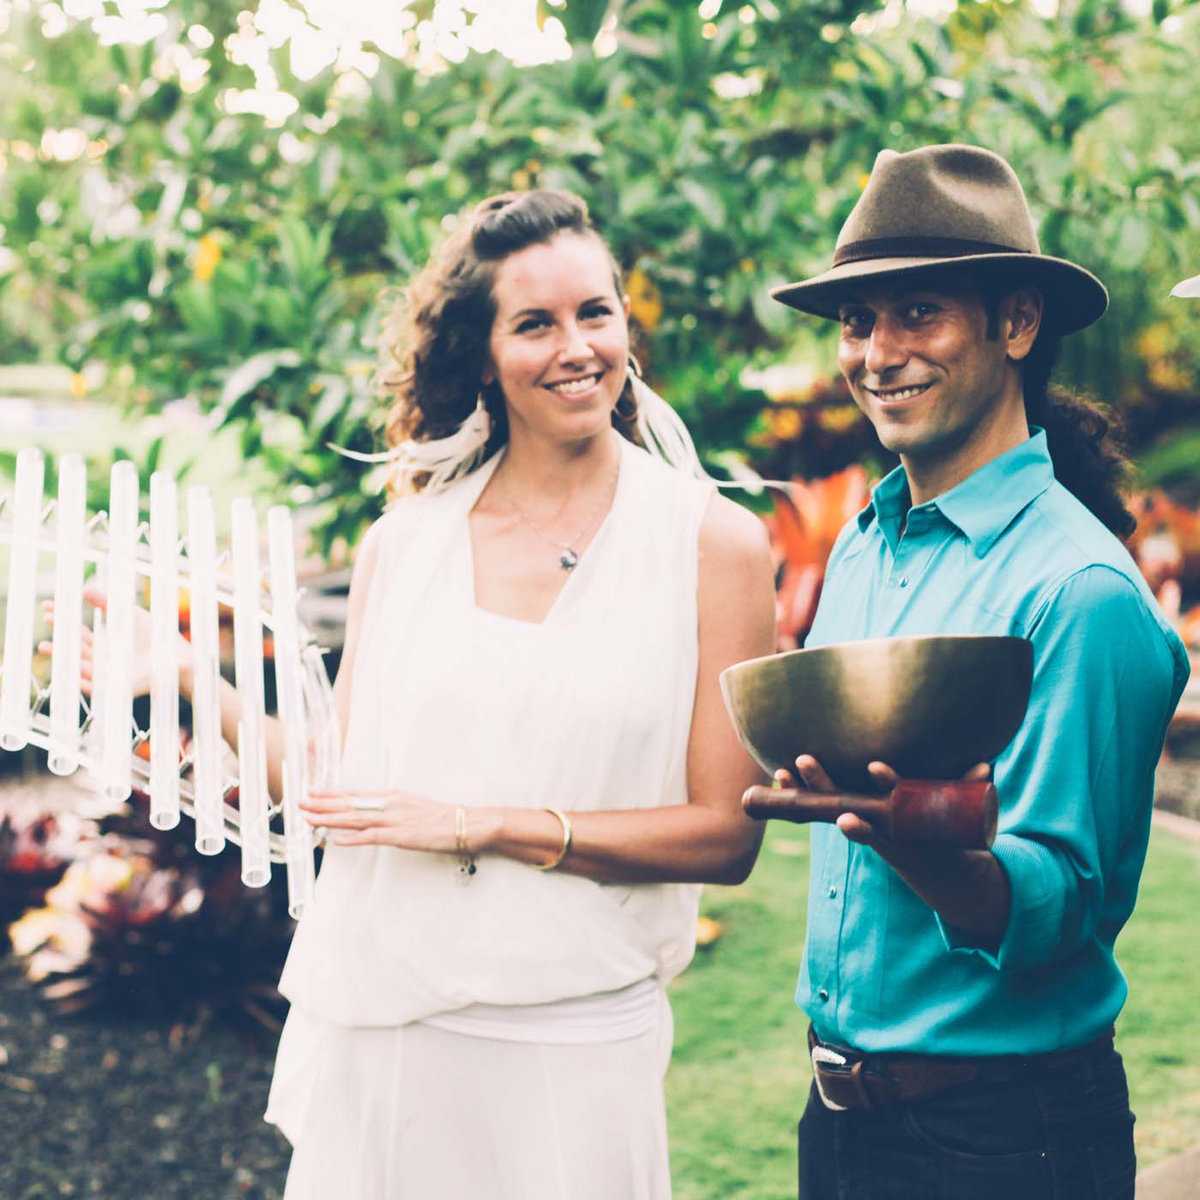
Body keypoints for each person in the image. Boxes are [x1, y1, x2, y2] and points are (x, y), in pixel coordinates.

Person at [250, 189, 772, 1197]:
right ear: (483, 354)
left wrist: (483, 824)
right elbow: (340, 779)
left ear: (626, 325)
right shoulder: (406, 544)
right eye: (534, 323)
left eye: (595, 312)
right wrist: (189, 693)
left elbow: (727, 836)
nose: (576, 347)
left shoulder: (714, 545)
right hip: (395, 1033)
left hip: (577, 1043)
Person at [762, 144, 1190, 1199]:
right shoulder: (863, 544)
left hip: (1003, 1138)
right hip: (839, 1120)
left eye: (919, 313)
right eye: (857, 320)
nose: (878, 353)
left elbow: (1063, 908)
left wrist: (915, 843)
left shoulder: (1079, 591)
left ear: (1018, 323)